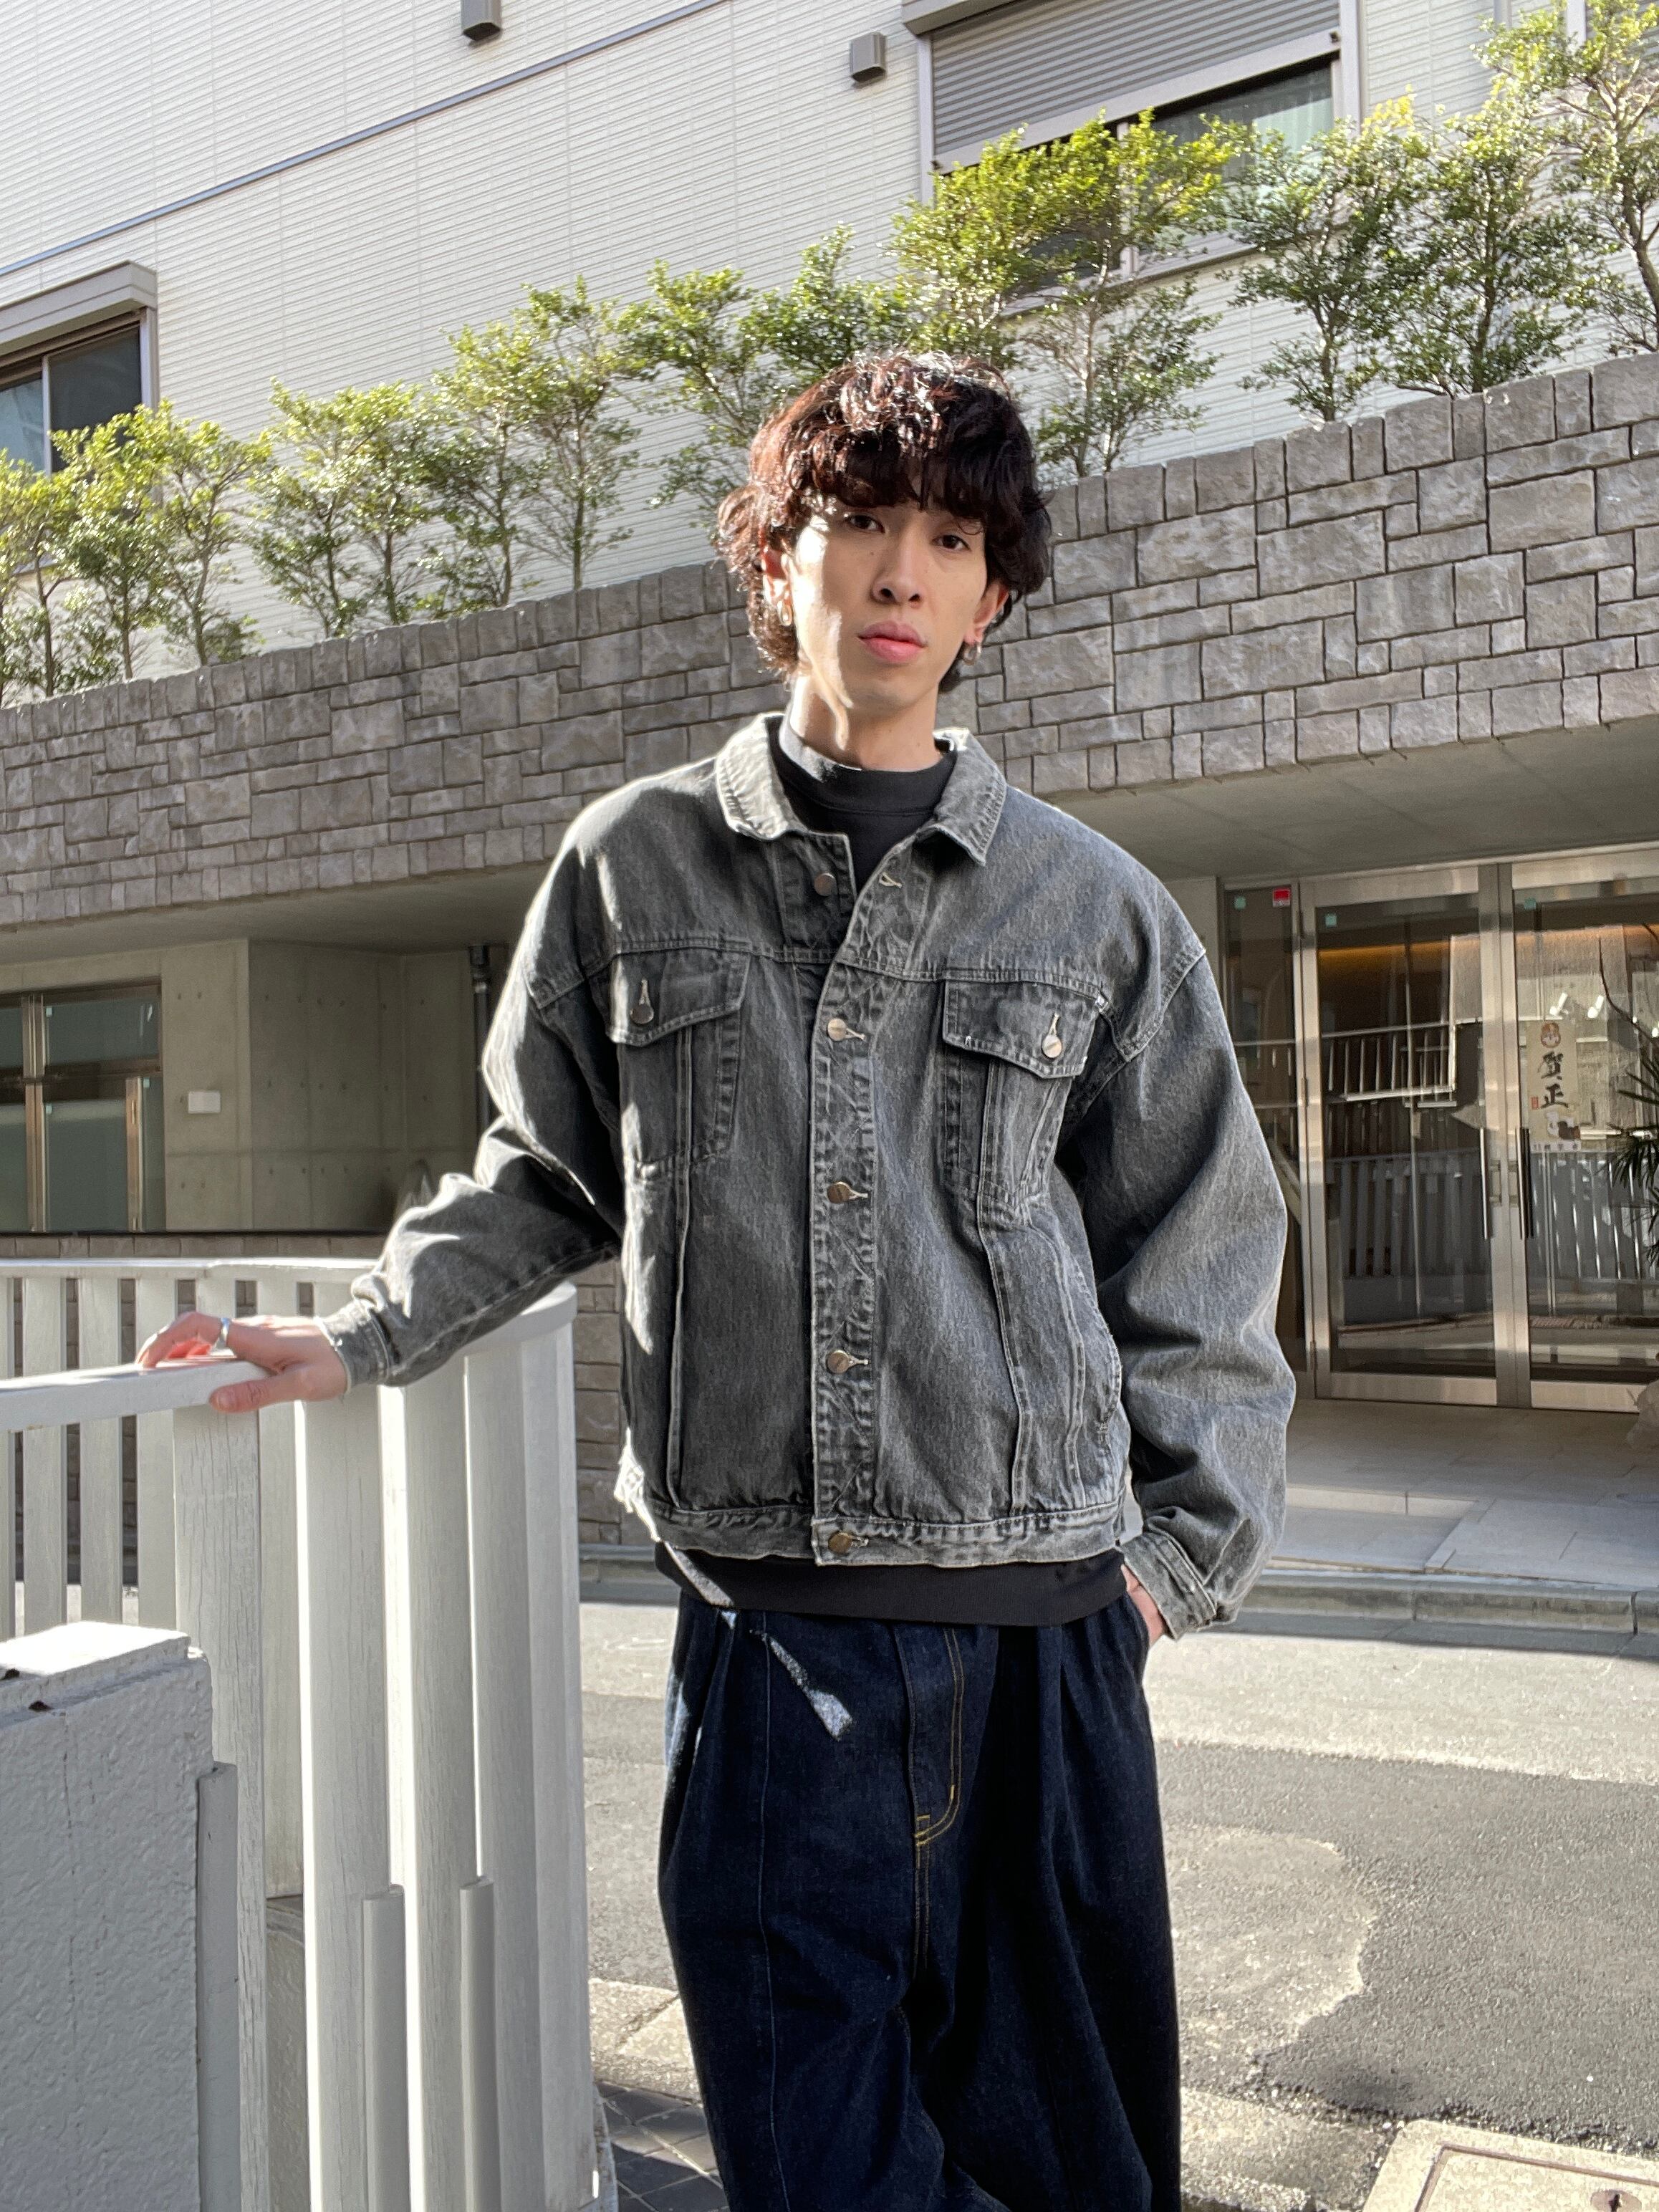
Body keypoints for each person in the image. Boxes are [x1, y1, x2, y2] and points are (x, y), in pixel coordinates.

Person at [140, 355, 1294, 2212]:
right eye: (862, 525)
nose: (902, 571)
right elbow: (545, 1172)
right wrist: (364, 1334)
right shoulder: (633, 864)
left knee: (1071, 2170)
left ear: (991, 598)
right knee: (810, 2164)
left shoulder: (1091, 907)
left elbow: (1201, 1238)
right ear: (776, 561)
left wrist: (1170, 1566)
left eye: (952, 540)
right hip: (770, 1646)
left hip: (1047, 1638)